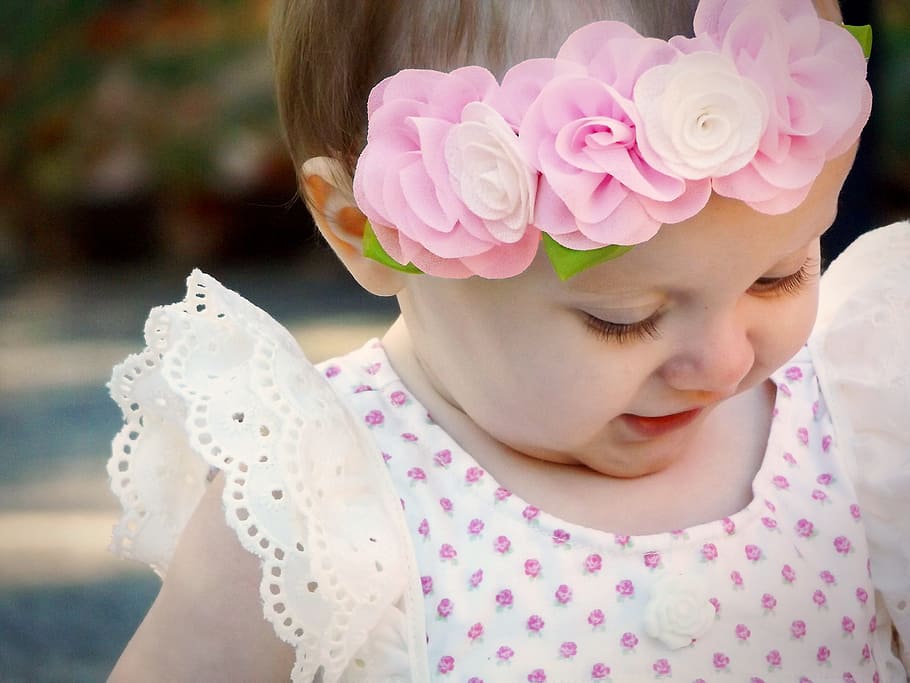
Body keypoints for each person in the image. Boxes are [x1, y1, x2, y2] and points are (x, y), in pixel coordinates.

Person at [106, 0, 909, 680]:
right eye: (623, 318)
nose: (726, 360)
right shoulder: (319, 505)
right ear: (364, 229)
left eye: (779, 274)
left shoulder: (861, 425)